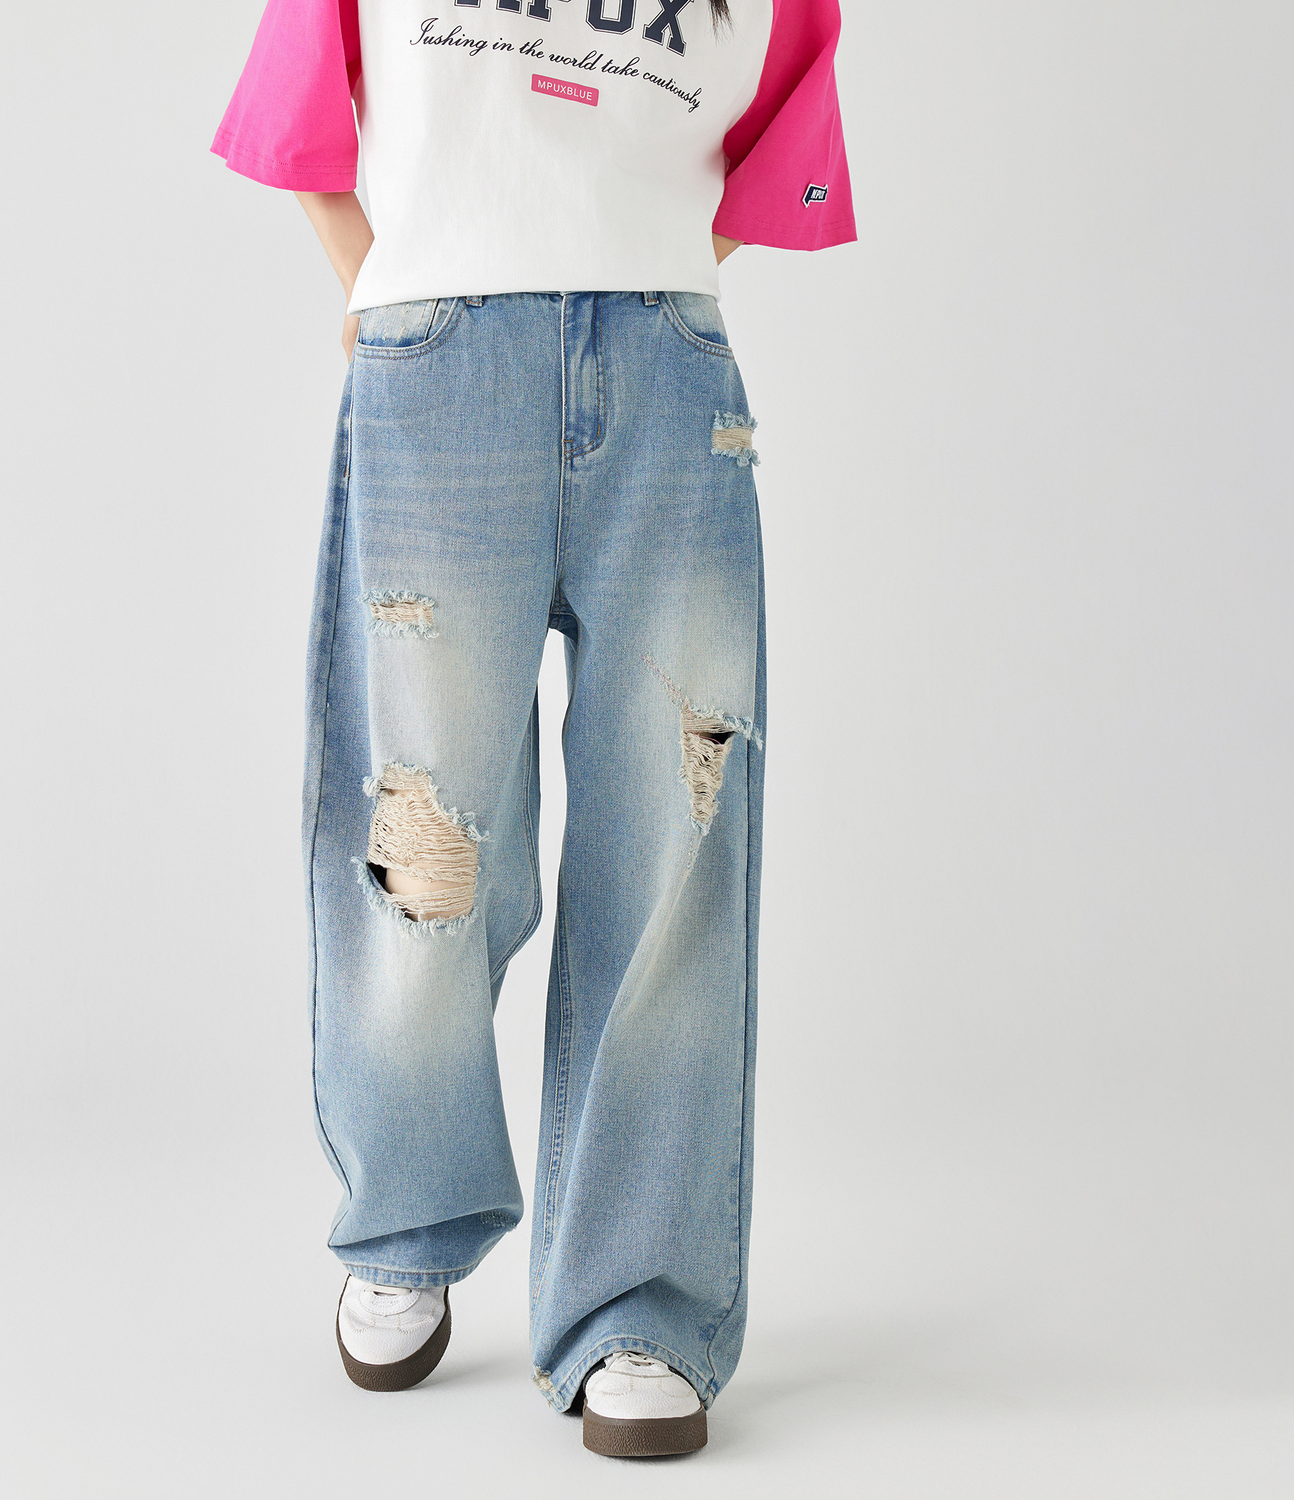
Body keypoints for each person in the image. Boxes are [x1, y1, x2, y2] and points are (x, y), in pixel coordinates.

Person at [213, 0, 854, 1458]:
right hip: (438, 357)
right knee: (422, 831)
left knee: (673, 844)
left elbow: (777, 136)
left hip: (670, 371)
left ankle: (639, 1302)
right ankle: (407, 1214)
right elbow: (298, 115)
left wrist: (645, 276)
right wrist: (389, 286)